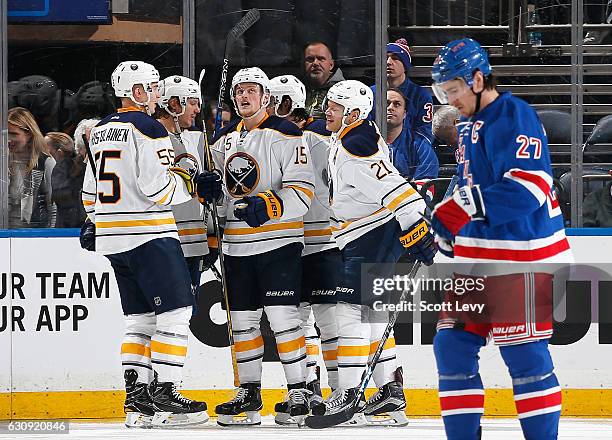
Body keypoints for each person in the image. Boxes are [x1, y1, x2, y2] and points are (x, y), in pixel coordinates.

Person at [429, 38, 572, 440]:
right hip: (479, 261)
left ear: (477, 79)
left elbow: (528, 189)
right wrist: (448, 226)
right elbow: (468, 188)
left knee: (524, 355)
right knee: (452, 347)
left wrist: (461, 209)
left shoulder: (516, 115)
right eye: (443, 93)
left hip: (523, 259)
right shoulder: (469, 125)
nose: (449, 100)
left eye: (453, 91)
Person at [81, 60, 222, 428]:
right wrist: (191, 184)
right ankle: (165, 393)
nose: (158, 94)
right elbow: (158, 189)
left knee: (139, 319)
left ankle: (137, 400)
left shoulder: (98, 131)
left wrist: (101, 222)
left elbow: (88, 195)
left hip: (113, 239)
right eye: (153, 87)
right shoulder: (148, 127)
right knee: (176, 314)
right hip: (150, 235)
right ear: (138, 93)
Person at [310, 80, 436, 427]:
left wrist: (415, 224)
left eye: (334, 107)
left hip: (372, 233)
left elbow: (397, 188)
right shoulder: (352, 134)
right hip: (364, 234)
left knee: (350, 309)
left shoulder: (357, 144)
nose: (327, 111)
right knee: (372, 313)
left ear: (352, 113)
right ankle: (390, 392)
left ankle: (348, 392)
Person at [210, 67, 316, 426]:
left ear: (265, 97)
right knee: (241, 323)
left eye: (251, 90)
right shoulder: (222, 139)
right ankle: (249, 392)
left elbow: (303, 191)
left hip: (279, 243)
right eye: (239, 90)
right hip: (236, 247)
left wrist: (270, 206)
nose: (244, 96)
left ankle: (299, 389)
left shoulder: (287, 133)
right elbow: (223, 200)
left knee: (284, 319)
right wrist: (208, 194)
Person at [267, 74, 340, 424]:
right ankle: (313, 388)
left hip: (317, 241)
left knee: (318, 320)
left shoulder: (309, 140)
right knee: (302, 321)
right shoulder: (283, 139)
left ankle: (334, 392)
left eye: (276, 103)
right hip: (297, 243)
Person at [154, 75, 215, 311]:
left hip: (194, 245)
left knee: (185, 317)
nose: (198, 109)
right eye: (192, 102)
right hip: (165, 245)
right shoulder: (151, 138)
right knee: (165, 317)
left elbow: (208, 199)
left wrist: (210, 240)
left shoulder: (197, 140)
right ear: (174, 103)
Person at [369, 38, 434, 158]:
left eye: (395, 58)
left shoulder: (421, 95)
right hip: (375, 153)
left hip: (408, 156)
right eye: (386, 57)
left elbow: (424, 134)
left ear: (405, 66)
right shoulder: (369, 93)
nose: (388, 62)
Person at [7, 106, 56, 228]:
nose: (9, 140)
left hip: (34, 235)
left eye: (13, 134)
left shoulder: (46, 163)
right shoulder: (3, 162)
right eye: (6, 134)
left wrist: (52, 236)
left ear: (29, 134)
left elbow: (53, 207)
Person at [386, 88, 439, 184]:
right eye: (386, 103)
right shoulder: (365, 143)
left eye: (397, 104)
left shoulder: (420, 145)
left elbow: (427, 185)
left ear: (404, 114)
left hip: (408, 198)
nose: (390, 108)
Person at [45, 132, 86, 227]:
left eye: (46, 148)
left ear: (59, 152)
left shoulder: (60, 169)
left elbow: (61, 198)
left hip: (67, 225)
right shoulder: (81, 167)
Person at [303, 41, 346, 120]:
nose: (315, 63)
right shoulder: (297, 89)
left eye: (321, 59)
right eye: (310, 59)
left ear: (331, 65)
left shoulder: (345, 92)